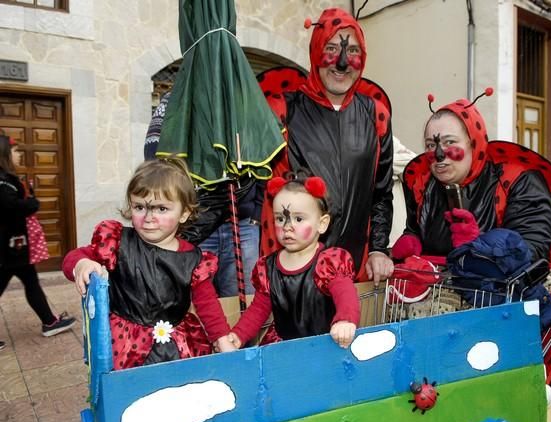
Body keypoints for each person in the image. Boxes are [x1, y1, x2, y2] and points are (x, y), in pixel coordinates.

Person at [392, 90, 551, 383]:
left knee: (513, 390)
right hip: (447, 311)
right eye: (430, 145)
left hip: (516, 312)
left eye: (450, 143)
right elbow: (418, 230)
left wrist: (479, 247)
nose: (439, 155)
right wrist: (409, 243)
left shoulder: (516, 179)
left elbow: (535, 249)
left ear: (474, 143)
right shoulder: (423, 183)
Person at [258, 7, 394, 285]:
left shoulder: (376, 115)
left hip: (353, 269)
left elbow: (381, 192)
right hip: (293, 269)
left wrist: (379, 248)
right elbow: (259, 189)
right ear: (316, 49)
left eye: (352, 51)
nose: (342, 63)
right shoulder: (281, 110)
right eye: (331, 48)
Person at [62, 158, 235, 370]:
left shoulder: (194, 260)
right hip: (124, 347)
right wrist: (81, 264)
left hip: (177, 346)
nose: (149, 218)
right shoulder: (117, 242)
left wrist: (223, 340)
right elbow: (74, 256)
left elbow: (209, 306)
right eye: (139, 207)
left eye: (161, 209)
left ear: (184, 213)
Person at [144, 92, 261, 298]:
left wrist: (256, 213)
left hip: (241, 225)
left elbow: (263, 156)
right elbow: (156, 161)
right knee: (192, 304)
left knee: (241, 306)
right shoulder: (174, 99)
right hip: (194, 226)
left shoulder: (241, 96)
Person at [227, 173, 360, 349]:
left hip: (325, 345)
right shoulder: (268, 268)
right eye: (280, 219)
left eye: (298, 219)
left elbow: (347, 296)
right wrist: (239, 335)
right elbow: (258, 310)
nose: (287, 226)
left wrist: (345, 320)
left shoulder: (329, 263)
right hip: (284, 348)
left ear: (322, 223)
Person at [0, 135, 76, 351]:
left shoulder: (7, 179)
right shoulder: (3, 182)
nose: (19, 155)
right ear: (5, 154)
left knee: (31, 280)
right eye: (16, 152)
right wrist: (32, 203)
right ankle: (49, 321)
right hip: (8, 248)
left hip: (14, 248)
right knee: (29, 281)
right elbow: (10, 206)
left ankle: (49, 321)